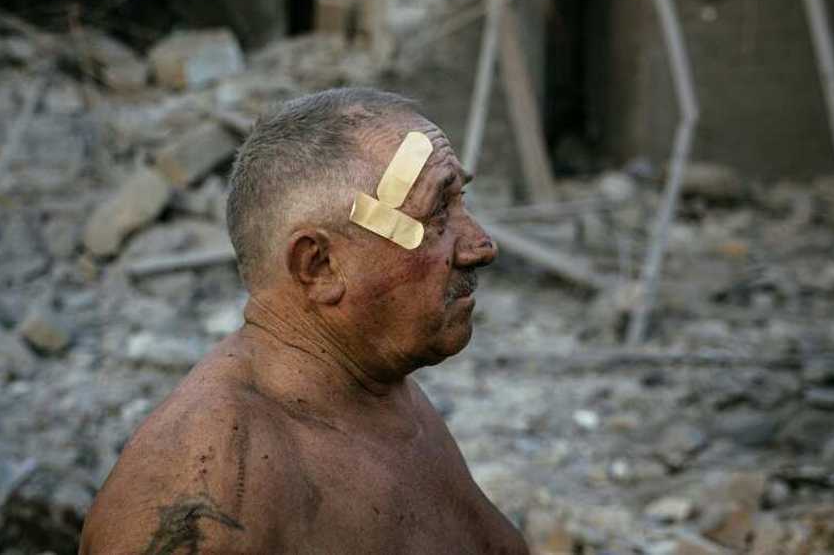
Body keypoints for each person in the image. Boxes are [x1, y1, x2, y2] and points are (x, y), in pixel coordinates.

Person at [79, 88, 529, 555]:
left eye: (461, 201)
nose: (481, 245)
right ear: (319, 266)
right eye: (438, 213)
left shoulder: (383, 394)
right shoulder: (211, 481)